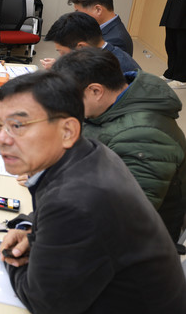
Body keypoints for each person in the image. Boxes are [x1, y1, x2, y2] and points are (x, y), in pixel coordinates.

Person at [0, 70, 186, 314]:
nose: (2, 139)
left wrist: (8, 257)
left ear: (68, 130)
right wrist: (31, 231)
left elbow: (44, 301)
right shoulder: (90, 153)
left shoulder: (75, 200)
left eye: (18, 125)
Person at [51, 48, 186, 243]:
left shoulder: (142, 137)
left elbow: (126, 218)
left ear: (96, 91)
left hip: (137, 244)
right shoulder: (110, 105)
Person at [39, 11, 140, 72]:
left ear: (81, 47)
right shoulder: (108, 53)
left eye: (63, 52)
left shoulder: (106, 70)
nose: (61, 57)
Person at [68, 0, 133, 55]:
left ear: (98, 10)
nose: (77, 17)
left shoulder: (116, 41)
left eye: (79, 12)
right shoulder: (98, 27)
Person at [159, 0, 186, 89]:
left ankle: (181, 78)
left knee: (182, 48)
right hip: (173, 14)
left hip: (183, 17)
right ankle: (170, 72)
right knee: (170, 45)